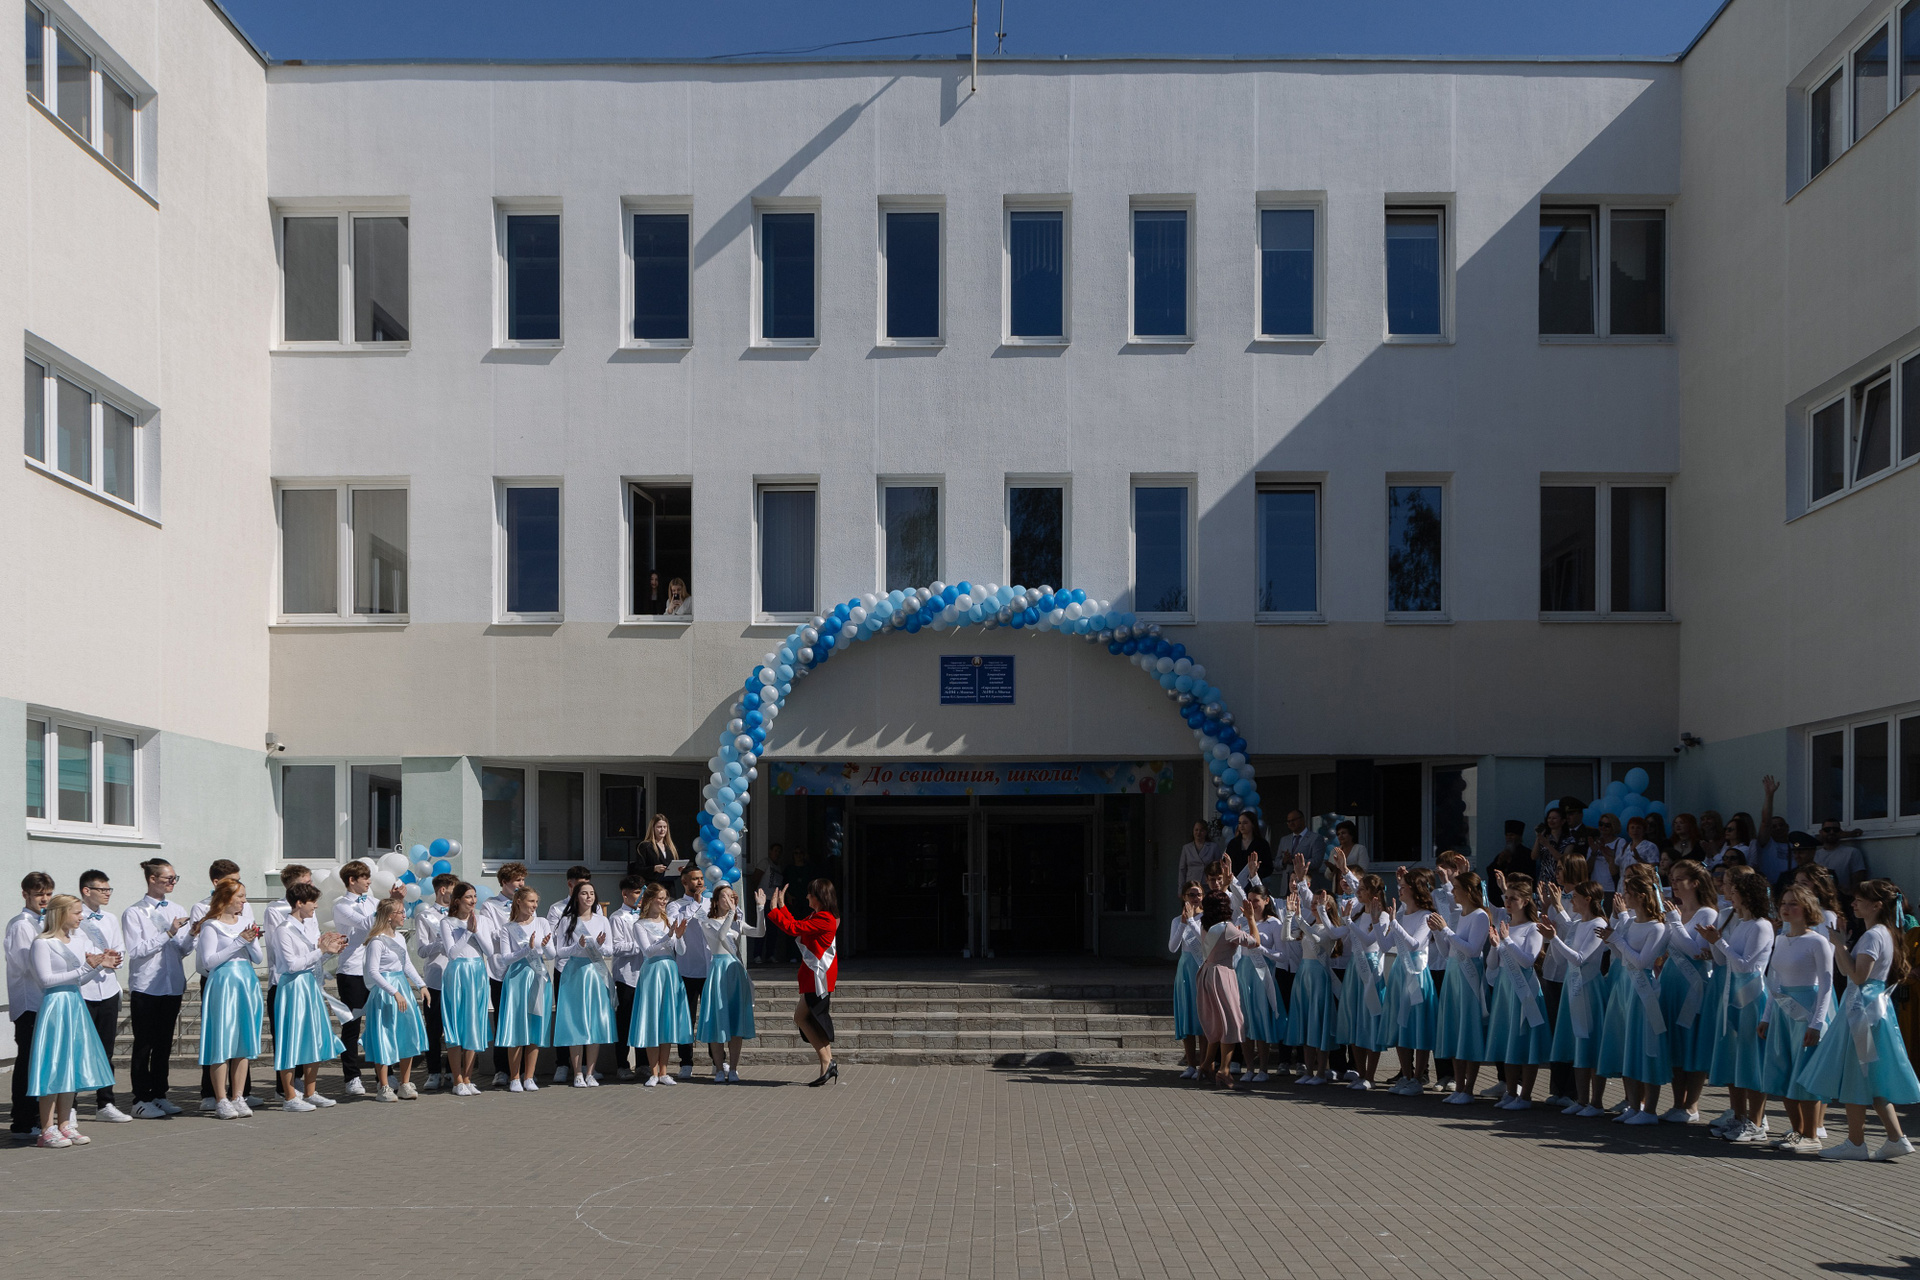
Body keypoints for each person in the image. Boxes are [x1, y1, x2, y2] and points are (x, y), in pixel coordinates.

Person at [1800, 879, 1920, 1161]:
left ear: (1876, 905)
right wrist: (1840, 945)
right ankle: (1895, 1138)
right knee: (1869, 1077)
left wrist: (1840, 945)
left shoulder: (1874, 935)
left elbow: (1858, 976)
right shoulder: (1882, 933)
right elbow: (1848, 972)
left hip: (1863, 1013)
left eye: (1859, 900)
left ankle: (1856, 1143)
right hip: (1868, 1009)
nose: (1853, 903)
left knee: (1856, 1075)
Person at [25, 895, 116, 1149]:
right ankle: (46, 1129)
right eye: (76, 912)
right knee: (53, 1065)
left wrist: (98, 966)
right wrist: (84, 968)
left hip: (75, 1004)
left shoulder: (76, 941)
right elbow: (45, 980)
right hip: (55, 1005)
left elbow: (79, 980)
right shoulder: (43, 943)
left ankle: (65, 1124)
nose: (81, 917)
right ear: (61, 913)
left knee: (70, 1065)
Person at [1758, 885, 1834, 1154]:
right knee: (1783, 1070)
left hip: (1805, 1011)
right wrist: (1766, 1017)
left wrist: (1816, 1023)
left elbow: (1826, 985)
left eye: (1793, 904)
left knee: (1805, 1072)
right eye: (1784, 903)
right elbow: (1775, 982)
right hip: (1782, 1011)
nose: (1786, 908)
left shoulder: (1817, 942)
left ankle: (1812, 1134)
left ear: (1807, 909)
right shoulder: (1780, 939)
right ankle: (1797, 1130)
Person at [1703, 867, 1776, 1143]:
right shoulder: (1742, 924)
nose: (1730, 896)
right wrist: (1714, 943)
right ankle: (1738, 1115)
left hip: (1752, 997)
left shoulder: (1761, 925)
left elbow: (1746, 965)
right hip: (1732, 994)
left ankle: (1756, 1122)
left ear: (1748, 895)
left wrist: (1718, 941)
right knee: (1734, 1059)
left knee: (1751, 1060)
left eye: (1735, 892)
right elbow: (1724, 960)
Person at [1595, 866, 1670, 1125]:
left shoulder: (1657, 927)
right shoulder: (1630, 923)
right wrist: (1611, 941)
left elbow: (1642, 962)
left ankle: (1649, 1110)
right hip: (1625, 987)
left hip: (1643, 991)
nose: (1623, 896)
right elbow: (1622, 957)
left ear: (1640, 896)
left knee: (1646, 1047)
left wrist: (1617, 940)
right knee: (1628, 1045)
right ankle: (1633, 1104)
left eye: (1628, 892)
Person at [121, 859, 192, 1120]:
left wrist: (192, 934)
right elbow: (137, 950)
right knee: (144, 1044)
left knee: (164, 1043)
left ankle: (160, 1094)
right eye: (168, 878)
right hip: (147, 986)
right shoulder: (134, 912)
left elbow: (182, 949)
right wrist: (168, 933)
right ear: (152, 879)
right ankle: (140, 1098)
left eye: (175, 878)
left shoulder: (176, 908)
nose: (173, 883)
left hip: (171, 984)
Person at [193, 878, 265, 1120]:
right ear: (226, 898)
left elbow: (258, 958)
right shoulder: (211, 926)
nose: (244, 901)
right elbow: (209, 961)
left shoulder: (245, 922)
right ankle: (221, 1099)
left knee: (243, 1041)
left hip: (246, 982)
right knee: (222, 1041)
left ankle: (238, 1096)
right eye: (240, 896)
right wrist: (239, 941)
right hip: (224, 984)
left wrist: (251, 940)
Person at [271, 883, 346, 1111]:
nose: (316, 906)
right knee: (290, 1039)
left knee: (314, 1037)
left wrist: (330, 952)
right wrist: (321, 950)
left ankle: (311, 1092)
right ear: (299, 903)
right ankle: (289, 1097)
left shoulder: (306, 927)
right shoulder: (284, 929)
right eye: (312, 901)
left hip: (309, 986)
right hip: (292, 988)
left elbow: (312, 960)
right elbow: (292, 965)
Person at [1658, 860, 1720, 1125]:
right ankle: (1677, 1103)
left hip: (1693, 983)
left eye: (1679, 878)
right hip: (1671, 980)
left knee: (1692, 1040)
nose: (1673, 883)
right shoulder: (1676, 911)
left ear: (1695, 882)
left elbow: (1696, 951)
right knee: (1675, 1041)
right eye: (1671, 878)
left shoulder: (1707, 913)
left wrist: (1674, 922)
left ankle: (1691, 1105)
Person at [1484, 875, 1552, 1109]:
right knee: (1508, 1040)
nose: (1508, 902)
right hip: (1505, 988)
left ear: (1525, 901)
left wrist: (1507, 941)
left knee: (1525, 1042)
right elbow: (1493, 965)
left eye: (1513, 898)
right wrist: (1495, 946)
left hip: (1524, 989)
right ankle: (1511, 1092)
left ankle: (1526, 1096)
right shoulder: (1506, 926)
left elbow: (1527, 961)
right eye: (1506, 897)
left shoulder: (1533, 928)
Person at [1540, 879, 1607, 1116]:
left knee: (1590, 1043)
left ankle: (1596, 1102)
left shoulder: (1599, 923)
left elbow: (1580, 958)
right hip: (1572, 986)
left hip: (1588, 989)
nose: (1571, 901)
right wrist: (1552, 937)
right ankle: (1581, 1099)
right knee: (1577, 1044)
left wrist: (1554, 938)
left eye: (1575, 897)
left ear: (1587, 899)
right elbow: (1562, 959)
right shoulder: (1578, 923)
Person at [767, 878, 840, 1087]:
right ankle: (827, 1063)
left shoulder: (825, 918)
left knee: (808, 1018)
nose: (807, 896)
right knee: (809, 1019)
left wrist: (774, 910)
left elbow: (794, 928)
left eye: (810, 894)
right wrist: (782, 908)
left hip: (818, 977)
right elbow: (798, 926)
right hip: (813, 976)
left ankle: (827, 1062)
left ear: (819, 897)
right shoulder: (818, 915)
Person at [71, 870, 129, 1123]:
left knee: (106, 1051)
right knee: (77, 1051)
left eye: (108, 889)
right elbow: (73, 952)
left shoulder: (110, 918)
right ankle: (70, 1106)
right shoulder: (75, 918)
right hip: (83, 991)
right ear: (86, 891)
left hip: (107, 990)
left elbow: (120, 950)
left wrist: (114, 958)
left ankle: (105, 1103)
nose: (107, 894)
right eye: (102, 889)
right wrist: (94, 960)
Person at [360, 898, 431, 1102]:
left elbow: (406, 964)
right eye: (400, 912)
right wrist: (394, 992)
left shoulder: (399, 937)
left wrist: (421, 985)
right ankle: (383, 1086)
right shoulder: (377, 941)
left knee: (406, 1034)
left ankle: (405, 1083)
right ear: (390, 916)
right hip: (385, 992)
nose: (404, 915)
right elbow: (373, 972)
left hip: (402, 988)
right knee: (384, 1036)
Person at [1429, 868, 1489, 1105]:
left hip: (1469, 978)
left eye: (1456, 889)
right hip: (1454, 975)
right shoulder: (1461, 915)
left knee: (1469, 1031)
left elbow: (1472, 950)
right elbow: (1448, 952)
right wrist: (1437, 933)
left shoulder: (1480, 916)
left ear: (1469, 891)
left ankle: (1469, 1089)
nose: (1453, 893)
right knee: (1455, 1031)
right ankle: (1460, 1086)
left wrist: (1445, 930)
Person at [696, 885, 767, 1082]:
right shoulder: (707, 922)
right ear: (716, 901)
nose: (729, 900)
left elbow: (759, 932)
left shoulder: (736, 923)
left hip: (735, 972)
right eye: (724, 897)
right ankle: (719, 1068)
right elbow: (720, 936)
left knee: (736, 1022)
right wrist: (731, 914)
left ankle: (734, 1068)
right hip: (719, 971)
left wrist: (760, 909)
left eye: (731, 896)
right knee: (718, 1021)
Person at [625, 884, 691, 1085]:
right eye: (660, 898)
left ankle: (664, 1071)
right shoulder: (640, 924)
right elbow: (647, 951)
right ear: (650, 900)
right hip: (653, 972)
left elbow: (681, 951)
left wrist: (679, 936)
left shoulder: (668, 921)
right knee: (652, 1020)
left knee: (666, 1020)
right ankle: (653, 1072)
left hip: (670, 971)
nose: (663, 902)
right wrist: (668, 936)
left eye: (665, 898)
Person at [1192, 891, 1259, 1088]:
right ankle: (1224, 1070)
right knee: (1231, 1022)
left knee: (1218, 1022)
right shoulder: (1227, 927)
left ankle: (1206, 1064)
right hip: (1222, 975)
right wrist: (1251, 918)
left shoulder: (1205, 925)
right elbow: (1255, 942)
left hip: (1207, 973)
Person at [1331, 874, 1391, 1090]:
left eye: (1363, 889)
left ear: (1374, 893)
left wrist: (1348, 922)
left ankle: (1371, 1076)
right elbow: (1337, 933)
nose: (1358, 892)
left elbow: (1369, 940)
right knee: (1354, 1019)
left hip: (1371, 969)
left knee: (1370, 1020)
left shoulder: (1383, 915)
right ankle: (1361, 1073)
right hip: (1355, 969)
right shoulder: (1357, 913)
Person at [552, 880, 614, 1088]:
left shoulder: (602, 920)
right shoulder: (567, 920)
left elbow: (610, 950)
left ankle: (590, 1072)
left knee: (594, 1021)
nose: (589, 897)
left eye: (591, 893)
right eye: (584, 893)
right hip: (575, 973)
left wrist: (599, 946)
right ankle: (577, 1072)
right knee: (576, 1022)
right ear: (576, 896)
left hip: (595, 973)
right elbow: (560, 951)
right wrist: (577, 947)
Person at [1382, 866, 1437, 1097]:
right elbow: (1385, 945)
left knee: (1418, 1025)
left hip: (1417, 973)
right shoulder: (1401, 915)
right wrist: (1380, 923)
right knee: (1400, 1024)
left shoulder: (1426, 916)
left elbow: (1415, 944)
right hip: (1399, 973)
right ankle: (1405, 1075)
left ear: (1415, 889)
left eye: (1403, 887)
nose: (1400, 890)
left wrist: (1395, 924)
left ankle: (1418, 1078)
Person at [435, 882, 493, 1096]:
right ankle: (457, 1079)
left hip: (477, 972)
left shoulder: (481, 920)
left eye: (475, 896)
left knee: (473, 1024)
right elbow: (452, 953)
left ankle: (468, 1078)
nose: (473, 901)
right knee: (456, 1025)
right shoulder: (447, 922)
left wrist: (476, 931)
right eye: (469, 897)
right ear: (458, 900)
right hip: (458, 973)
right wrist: (468, 933)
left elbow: (489, 951)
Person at [330, 860, 382, 1098]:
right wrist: (387, 908)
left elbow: (387, 922)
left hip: (375, 969)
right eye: (365, 877)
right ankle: (352, 1077)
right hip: (352, 971)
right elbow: (366, 924)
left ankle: (384, 1074)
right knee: (352, 1025)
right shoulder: (342, 905)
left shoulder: (374, 902)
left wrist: (393, 905)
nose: (369, 882)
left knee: (379, 1023)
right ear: (352, 880)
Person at [10, 870, 54, 1142]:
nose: (44, 899)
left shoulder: (44, 922)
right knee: (28, 1061)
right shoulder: (21, 925)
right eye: (39, 894)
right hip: (29, 1002)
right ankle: (23, 1122)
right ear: (25, 894)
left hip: (44, 1001)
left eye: (48, 894)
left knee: (40, 1062)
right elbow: (28, 965)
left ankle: (37, 1116)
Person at [492, 886, 551, 1092]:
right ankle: (515, 1077)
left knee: (535, 1025)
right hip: (517, 978)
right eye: (531, 901)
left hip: (538, 977)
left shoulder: (542, 922)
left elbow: (552, 954)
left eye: (536, 902)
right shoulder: (508, 928)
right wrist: (527, 949)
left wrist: (545, 946)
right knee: (516, 1026)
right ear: (519, 901)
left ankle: (529, 1076)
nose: (534, 905)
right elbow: (506, 958)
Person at [477, 861, 527, 1087]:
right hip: (501, 970)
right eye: (517, 880)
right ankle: (502, 1069)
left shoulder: (526, 902)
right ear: (504, 882)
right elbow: (492, 935)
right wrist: (513, 931)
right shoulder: (491, 906)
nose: (521, 884)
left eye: (523, 880)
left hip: (523, 969)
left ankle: (523, 1069)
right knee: (502, 1018)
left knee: (523, 1018)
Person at [544, 864, 595, 1084]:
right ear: (570, 884)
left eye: (588, 886)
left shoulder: (595, 908)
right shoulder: (558, 909)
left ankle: (586, 1066)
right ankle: (563, 1063)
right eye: (580, 886)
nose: (585, 893)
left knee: (588, 1015)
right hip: (565, 968)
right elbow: (553, 937)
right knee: (567, 1017)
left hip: (588, 969)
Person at [1285, 889, 1339, 1084]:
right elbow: (1286, 938)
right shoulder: (1309, 925)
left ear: (1328, 906)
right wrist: (1290, 916)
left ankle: (1321, 1072)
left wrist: (1299, 919)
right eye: (1314, 901)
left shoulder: (1330, 929)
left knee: (1319, 1022)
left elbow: (1317, 940)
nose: (1314, 905)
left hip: (1319, 976)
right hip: (1304, 974)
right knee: (1306, 1022)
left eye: (1319, 902)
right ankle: (1308, 1071)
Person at [667, 865, 714, 1079]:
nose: (700, 882)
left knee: (712, 1017)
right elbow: (676, 925)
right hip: (686, 969)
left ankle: (718, 1060)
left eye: (701, 878)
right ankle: (685, 1062)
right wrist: (694, 904)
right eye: (695, 879)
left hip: (710, 968)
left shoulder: (711, 903)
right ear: (684, 882)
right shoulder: (675, 905)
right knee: (686, 1018)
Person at [1233, 888, 1284, 1081]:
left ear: (1266, 900)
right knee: (1245, 1022)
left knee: (1261, 1020)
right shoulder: (1241, 920)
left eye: (1256, 900)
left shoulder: (1274, 923)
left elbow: (1283, 955)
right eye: (1249, 900)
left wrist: (1261, 948)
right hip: (1244, 973)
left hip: (1263, 975)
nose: (1252, 904)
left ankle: (1263, 1069)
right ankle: (1249, 1068)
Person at [413, 872, 458, 1091]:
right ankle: (433, 1072)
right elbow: (422, 950)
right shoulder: (426, 916)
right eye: (454, 891)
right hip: (435, 979)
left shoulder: (459, 916)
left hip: (457, 978)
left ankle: (452, 1070)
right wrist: (441, 943)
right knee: (434, 1028)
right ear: (443, 890)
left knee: (454, 1027)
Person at [1169, 881, 1207, 1078]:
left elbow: (1206, 943)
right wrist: (1184, 923)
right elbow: (1172, 947)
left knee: (1203, 1018)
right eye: (1191, 895)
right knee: (1187, 1017)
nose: (1195, 898)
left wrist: (1192, 921)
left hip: (1202, 968)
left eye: (1198, 894)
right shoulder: (1177, 920)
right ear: (1184, 897)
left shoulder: (1207, 918)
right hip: (1185, 969)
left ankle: (1204, 1065)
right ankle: (1191, 1064)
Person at [1273, 810, 1325, 896]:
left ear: (1302, 820)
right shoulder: (1284, 840)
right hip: (1287, 888)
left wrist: (1296, 861)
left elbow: (1317, 862)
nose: (1291, 823)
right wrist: (1284, 861)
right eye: (1288, 821)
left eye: (1293, 820)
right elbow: (1276, 864)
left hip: (1307, 886)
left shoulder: (1315, 838)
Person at [1813, 819, 1870, 893]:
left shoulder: (1852, 852)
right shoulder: (1814, 855)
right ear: (1821, 832)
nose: (1831, 832)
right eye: (1827, 830)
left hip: (1843, 896)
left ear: (1840, 832)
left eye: (1835, 830)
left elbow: (1858, 881)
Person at [1218, 812, 1271, 881]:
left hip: (1254, 882)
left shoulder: (1262, 844)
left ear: (1253, 824)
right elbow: (1226, 863)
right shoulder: (1233, 843)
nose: (1241, 826)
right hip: (1234, 882)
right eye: (1239, 823)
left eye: (1245, 823)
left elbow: (1268, 867)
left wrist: (1254, 874)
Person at [633, 814, 678, 888]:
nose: (662, 830)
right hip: (653, 887)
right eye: (659, 827)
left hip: (669, 887)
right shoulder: (645, 846)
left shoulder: (671, 847)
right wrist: (654, 869)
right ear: (653, 828)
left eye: (665, 827)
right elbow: (638, 869)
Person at [1175, 822, 1218, 893]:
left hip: (1207, 884)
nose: (1198, 833)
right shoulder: (1186, 848)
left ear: (1206, 832)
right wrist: (1180, 889)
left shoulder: (1213, 847)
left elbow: (1218, 867)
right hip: (1191, 884)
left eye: (1201, 830)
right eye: (1196, 830)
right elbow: (1182, 870)